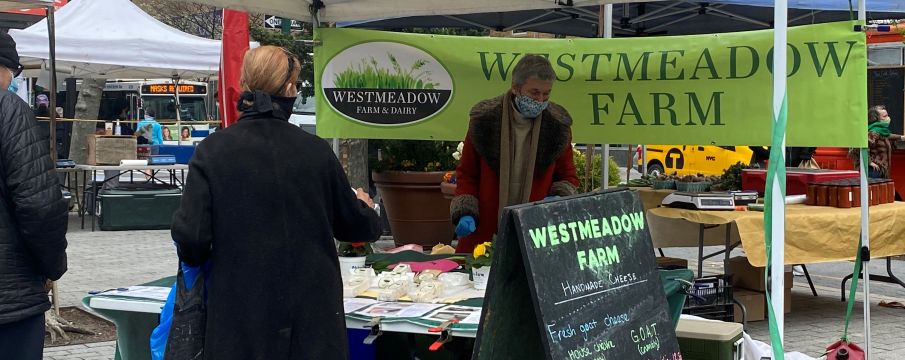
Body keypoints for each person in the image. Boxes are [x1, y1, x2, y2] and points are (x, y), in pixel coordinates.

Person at [170, 45, 382, 359]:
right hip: (311, 316)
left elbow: (191, 238)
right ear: (287, 89)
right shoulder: (315, 151)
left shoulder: (212, 151)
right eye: (295, 85)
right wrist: (366, 207)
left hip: (240, 312)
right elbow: (355, 226)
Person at [450, 54, 579, 253]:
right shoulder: (483, 120)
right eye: (534, 92)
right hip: (484, 230)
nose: (540, 100)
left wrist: (558, 199)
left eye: (546, 94)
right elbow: (467, 173)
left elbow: (567, 176)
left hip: (537, 233)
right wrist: (466, 211)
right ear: (515, 87)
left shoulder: (558, 126)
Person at [0, 31, 68, 360]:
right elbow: (40, 205)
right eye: (14, 72)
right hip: (8, 301)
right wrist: (52, 266)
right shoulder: (8, 111)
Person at [866, 105, 905, 178]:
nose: (888, 118)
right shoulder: (873, 132)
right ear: (876, 119)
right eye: (884, 116)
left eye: (887, 115)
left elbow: (888, 136)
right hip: (874, 170)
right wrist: (869, 162)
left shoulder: (882, 131)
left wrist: (901, 137)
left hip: (882, 169)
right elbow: (862, 148)